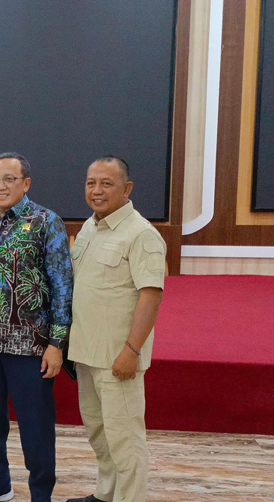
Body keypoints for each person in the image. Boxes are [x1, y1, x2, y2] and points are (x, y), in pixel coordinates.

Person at [0, 153, 73, 502]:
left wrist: (57, 343)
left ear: (26, 183)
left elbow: (62, 285)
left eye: (9, 179)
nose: (1, 186)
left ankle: (41, 493)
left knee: (36, 426)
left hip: (31, 345)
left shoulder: (46, 221)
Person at [66, 156, 166, 502]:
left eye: (106, 184)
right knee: (100, 433)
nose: (97, 191)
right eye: (91, 183)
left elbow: (151, 296)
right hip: (86, 354)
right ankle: (105, 494)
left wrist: (131, 351)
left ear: (127, 188)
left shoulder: (142, 234)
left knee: (125, 440)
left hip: (118, 358)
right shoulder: (90, 227)